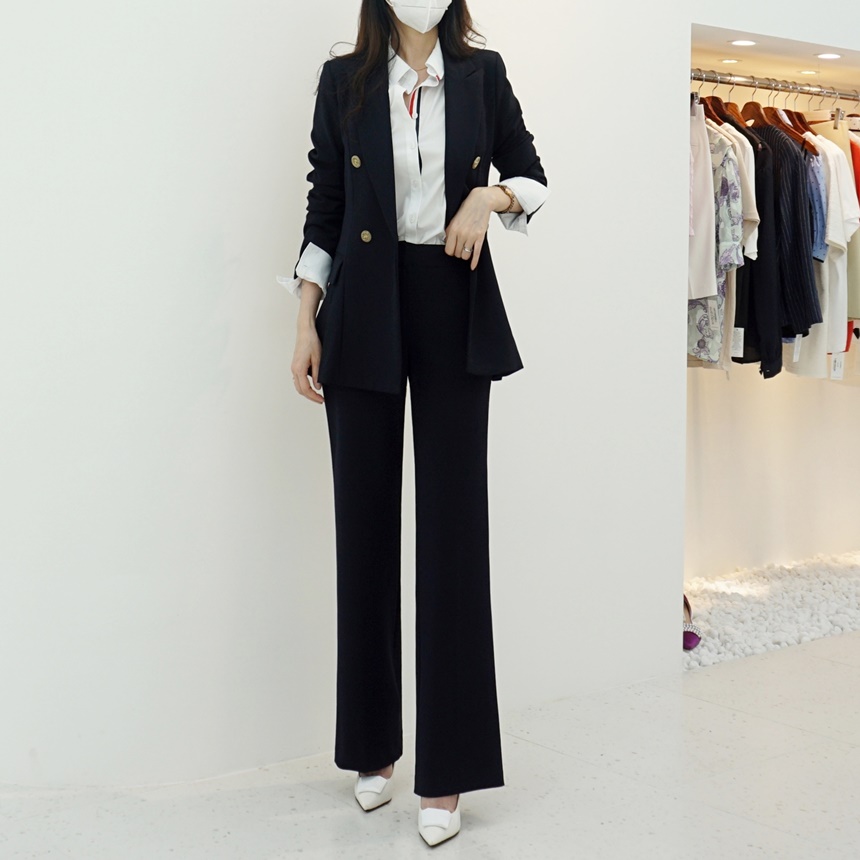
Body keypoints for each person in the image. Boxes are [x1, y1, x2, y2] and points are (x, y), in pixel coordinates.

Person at [277, 0, 548, 846]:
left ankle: (450, 770)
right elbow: (325, 205)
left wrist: (486, 198)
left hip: (453, 302)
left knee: (454, 536)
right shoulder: (343, 81)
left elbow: (534, 175)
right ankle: (372, 747)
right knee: (363, 529)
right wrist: (305, 319)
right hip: (362, 307)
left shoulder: (482, 74)